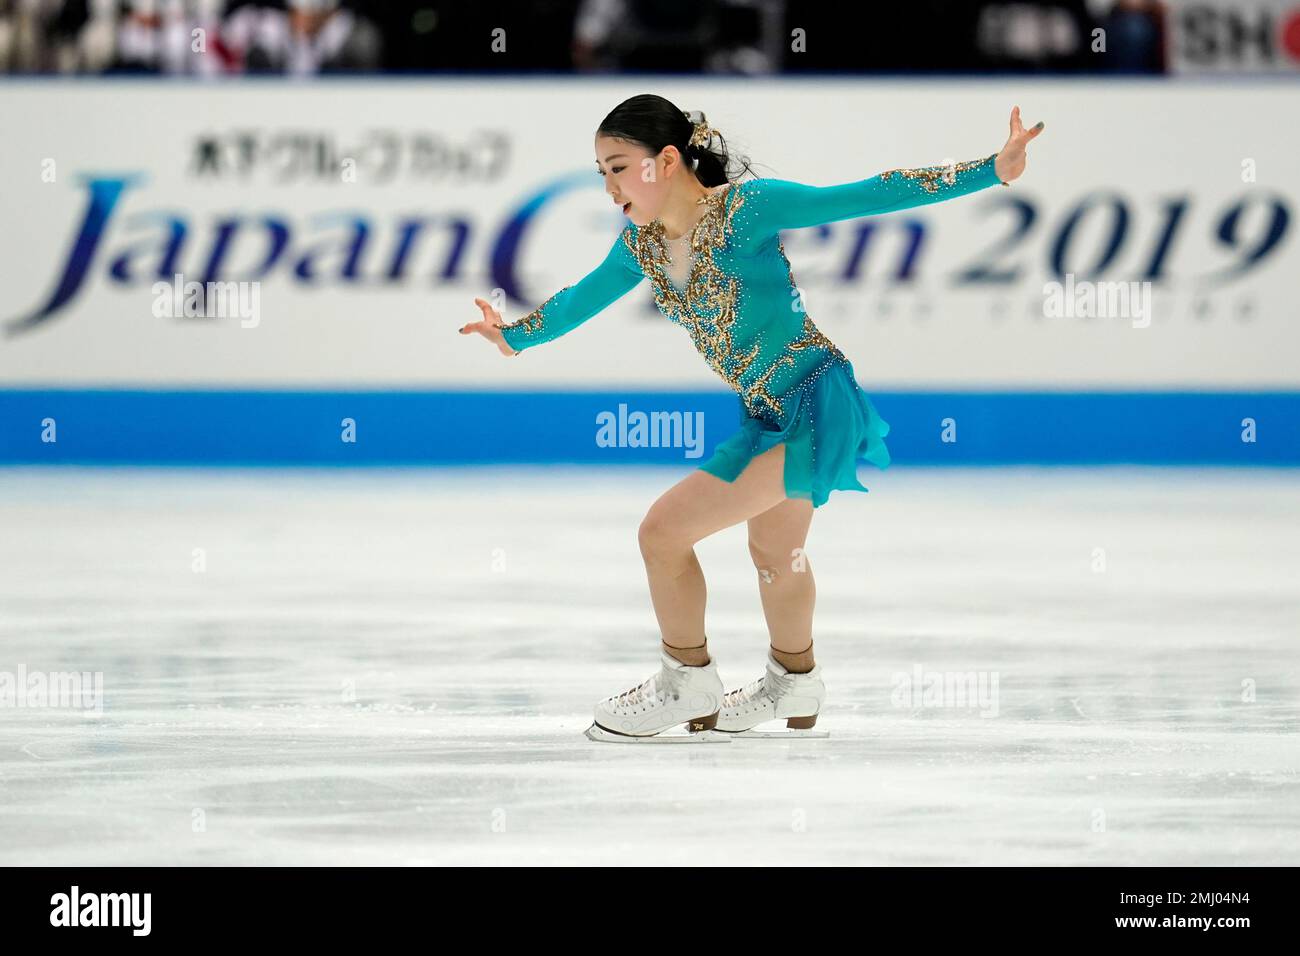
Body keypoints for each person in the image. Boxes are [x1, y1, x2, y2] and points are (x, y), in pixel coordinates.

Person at [460, 93, 1044, 740]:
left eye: (619, 167)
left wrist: (993, 169)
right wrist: (515, 336)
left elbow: (866, 194)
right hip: (765, 411)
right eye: (601, 172)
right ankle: (794, 682)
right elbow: (579, 300)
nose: (609, 186)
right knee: (776, 551)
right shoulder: (643, 248)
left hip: (817, 402)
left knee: (662, 534)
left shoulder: (747, 210)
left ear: (667, 160)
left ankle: (687, 680)